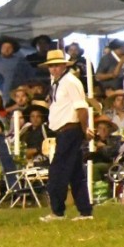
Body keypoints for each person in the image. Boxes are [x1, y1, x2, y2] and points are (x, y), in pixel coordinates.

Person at [40, 50, 93, 222]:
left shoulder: (70, 82)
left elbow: (81, 107)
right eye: (51, 66)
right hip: (64, 132)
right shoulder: (58, 82)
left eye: (56, 65)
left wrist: (85, 129)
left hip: (70, 131)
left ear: (63, 65)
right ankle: (85, 211)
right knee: (75, 173)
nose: (53, 69)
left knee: (57, 172)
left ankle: (58, 211)